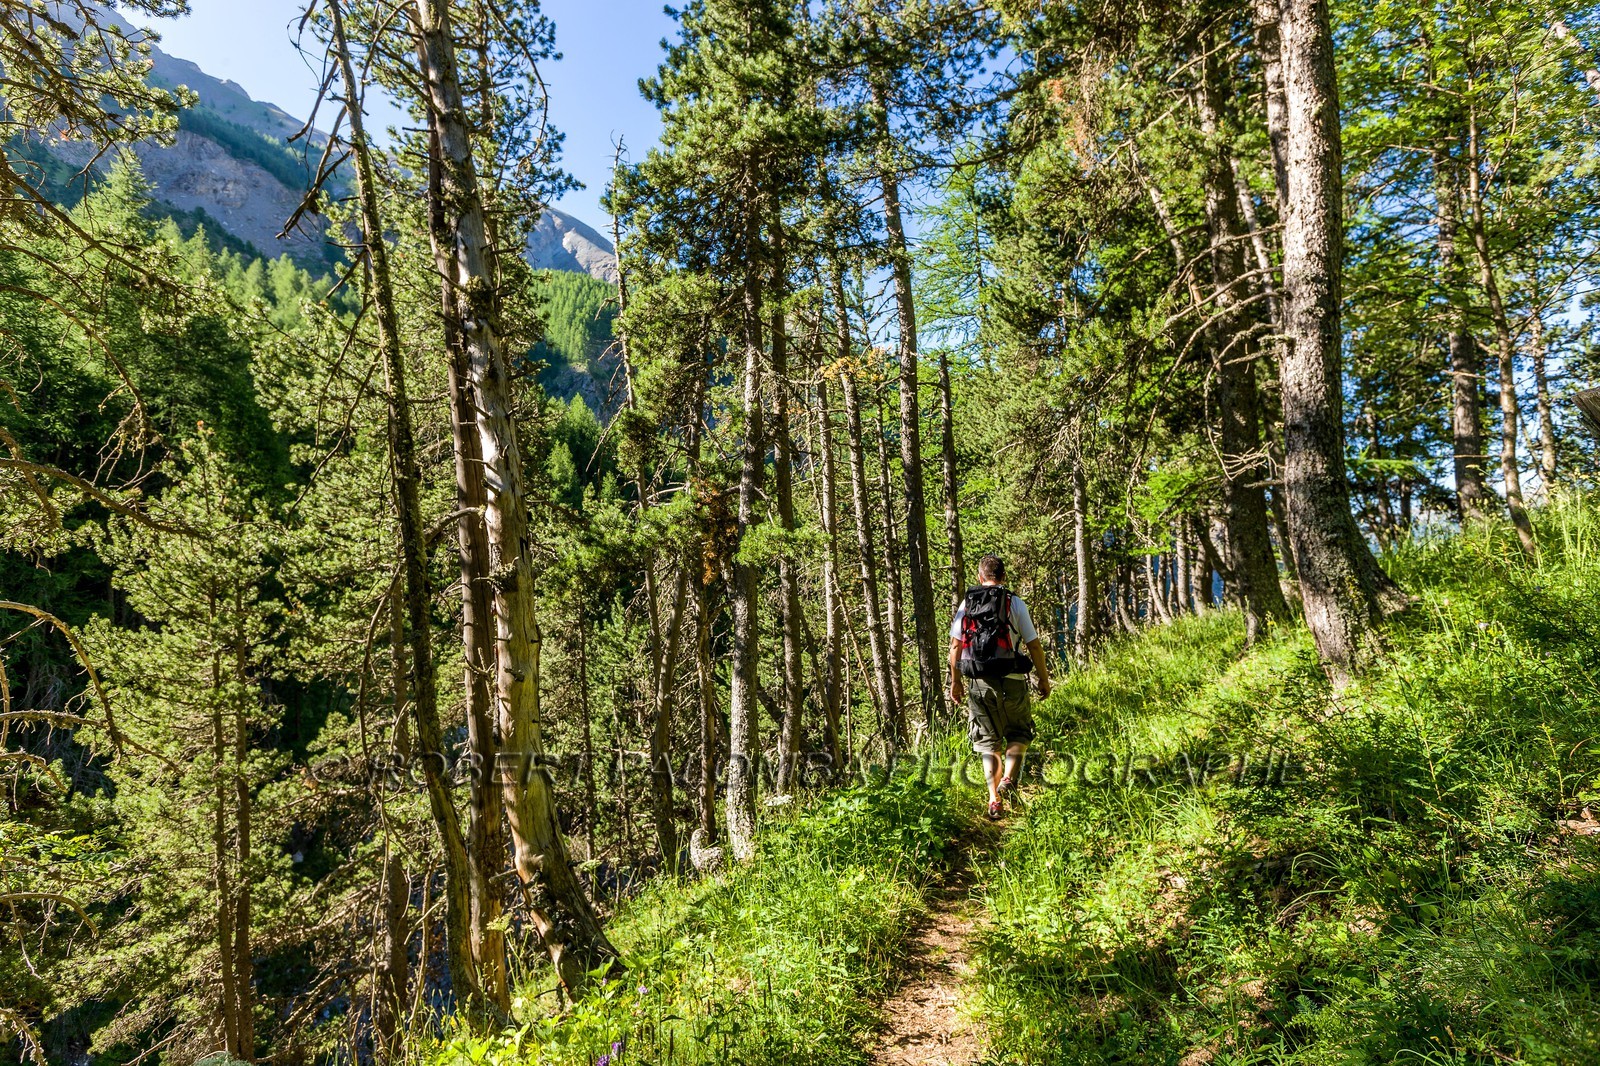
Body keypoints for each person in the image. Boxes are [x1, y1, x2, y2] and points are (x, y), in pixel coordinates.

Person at [949, 555, 1051, 820]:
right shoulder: (1014, 603)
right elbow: (1034, 645)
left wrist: (956, 681)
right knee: (1018, 731)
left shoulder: (967, 604)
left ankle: (994, 799)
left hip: (978, 684)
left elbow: (955, 646)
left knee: (986, 741)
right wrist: (1043, 678)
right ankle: (1008, 778)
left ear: (979, 578)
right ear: (1003, 577)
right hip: (1013, 680)